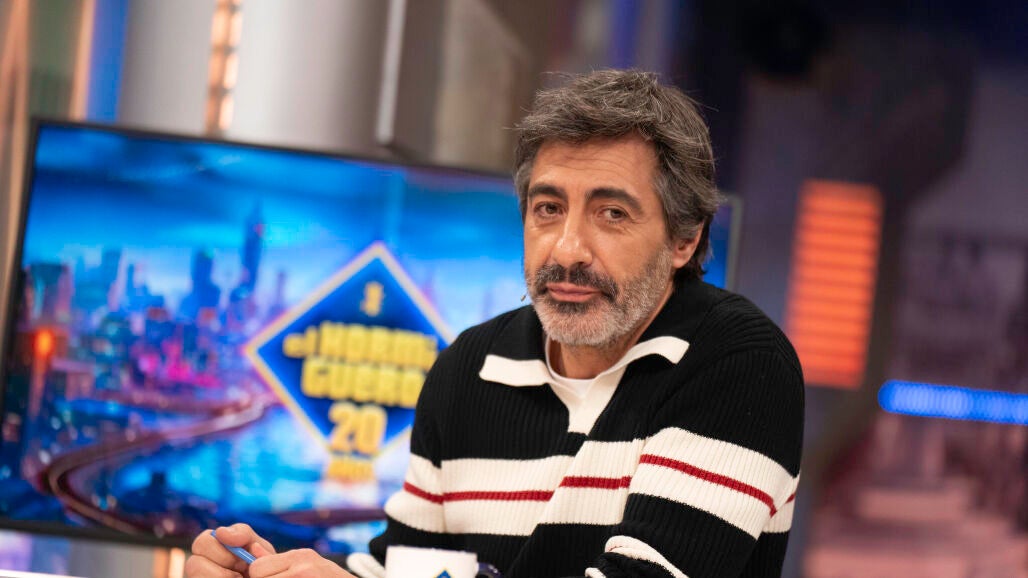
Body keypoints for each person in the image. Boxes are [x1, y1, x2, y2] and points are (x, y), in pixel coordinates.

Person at [186, 69, 804, 578]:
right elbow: (410, 566)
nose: (567, 249)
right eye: (548, 208)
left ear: (683, 240)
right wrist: (275, 571)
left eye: (611, 213)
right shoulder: (469, 367)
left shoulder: (738, 363)